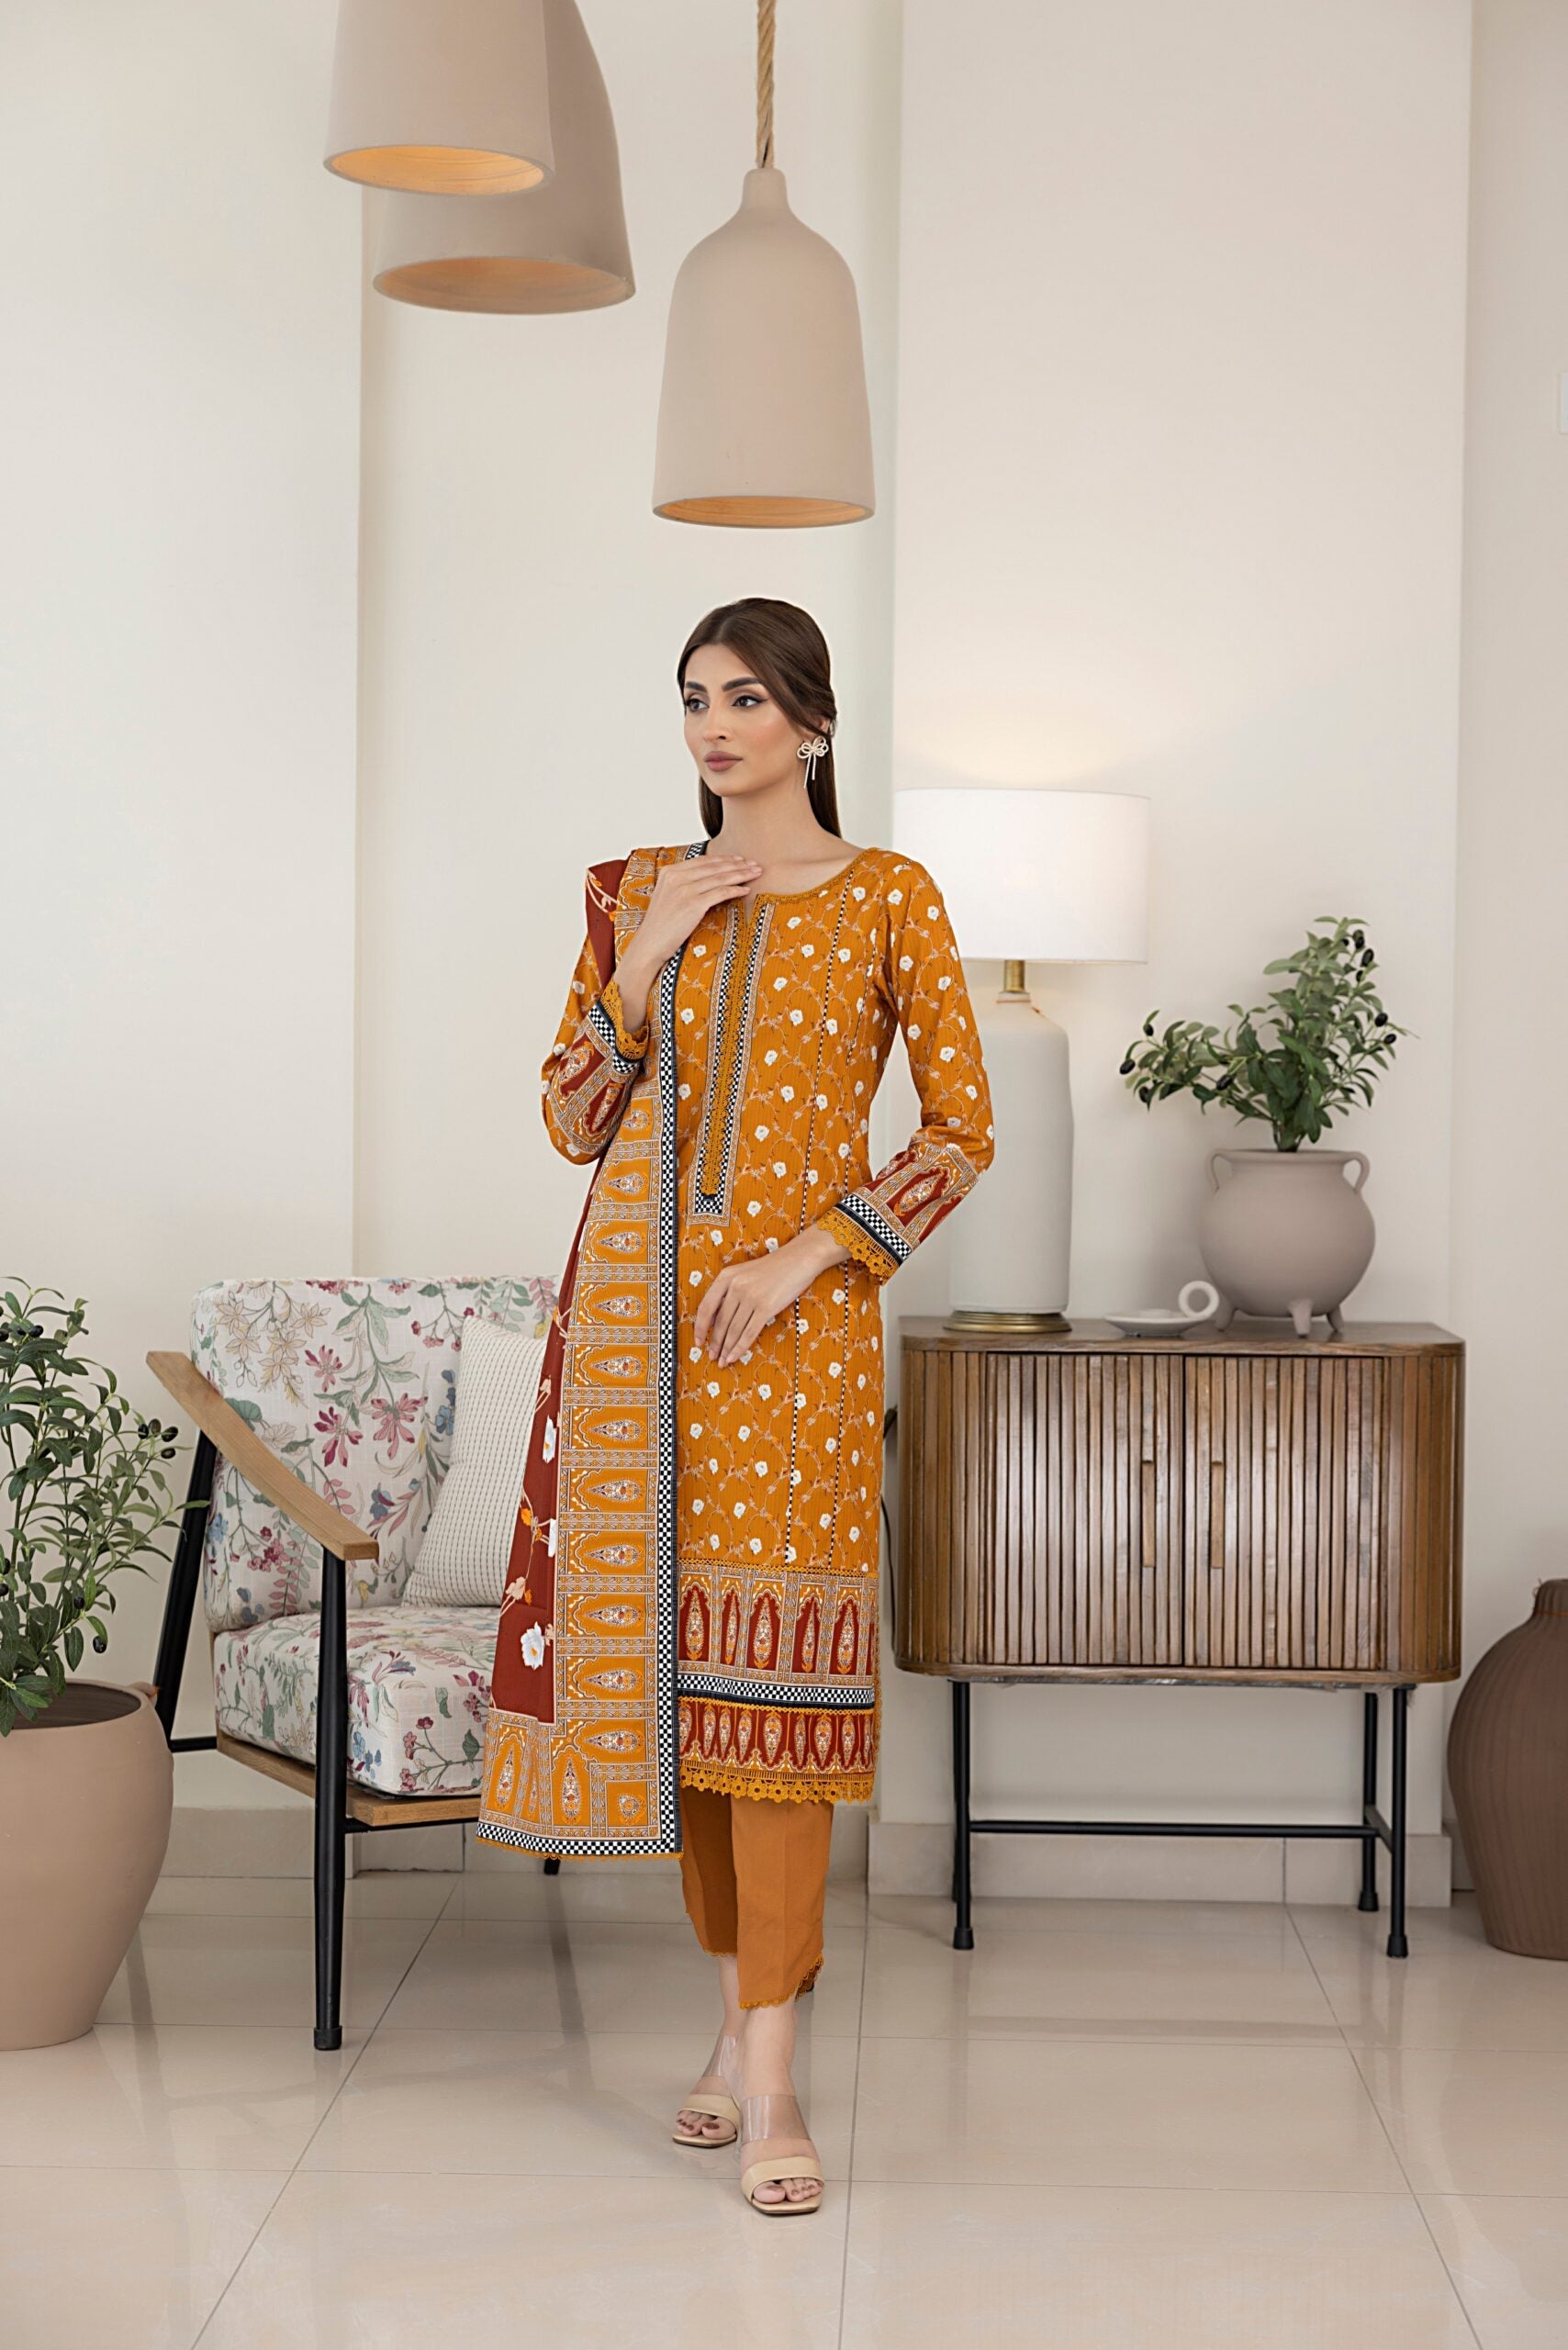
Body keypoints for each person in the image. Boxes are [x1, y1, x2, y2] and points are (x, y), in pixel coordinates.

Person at [477, 597, 994, 2214]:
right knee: (687, 1705)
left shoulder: (890, 895)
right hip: (639, 1344)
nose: (716, 726)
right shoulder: (639, 889)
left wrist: (809, 1255)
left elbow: (959, 1133)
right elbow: (571, 1120)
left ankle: (772, 2085)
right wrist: (645, 954)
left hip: (799, 1348)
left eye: (749, 699)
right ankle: (737, 2030)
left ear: (812, 722)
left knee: (776, 1710)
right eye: (696, 698)